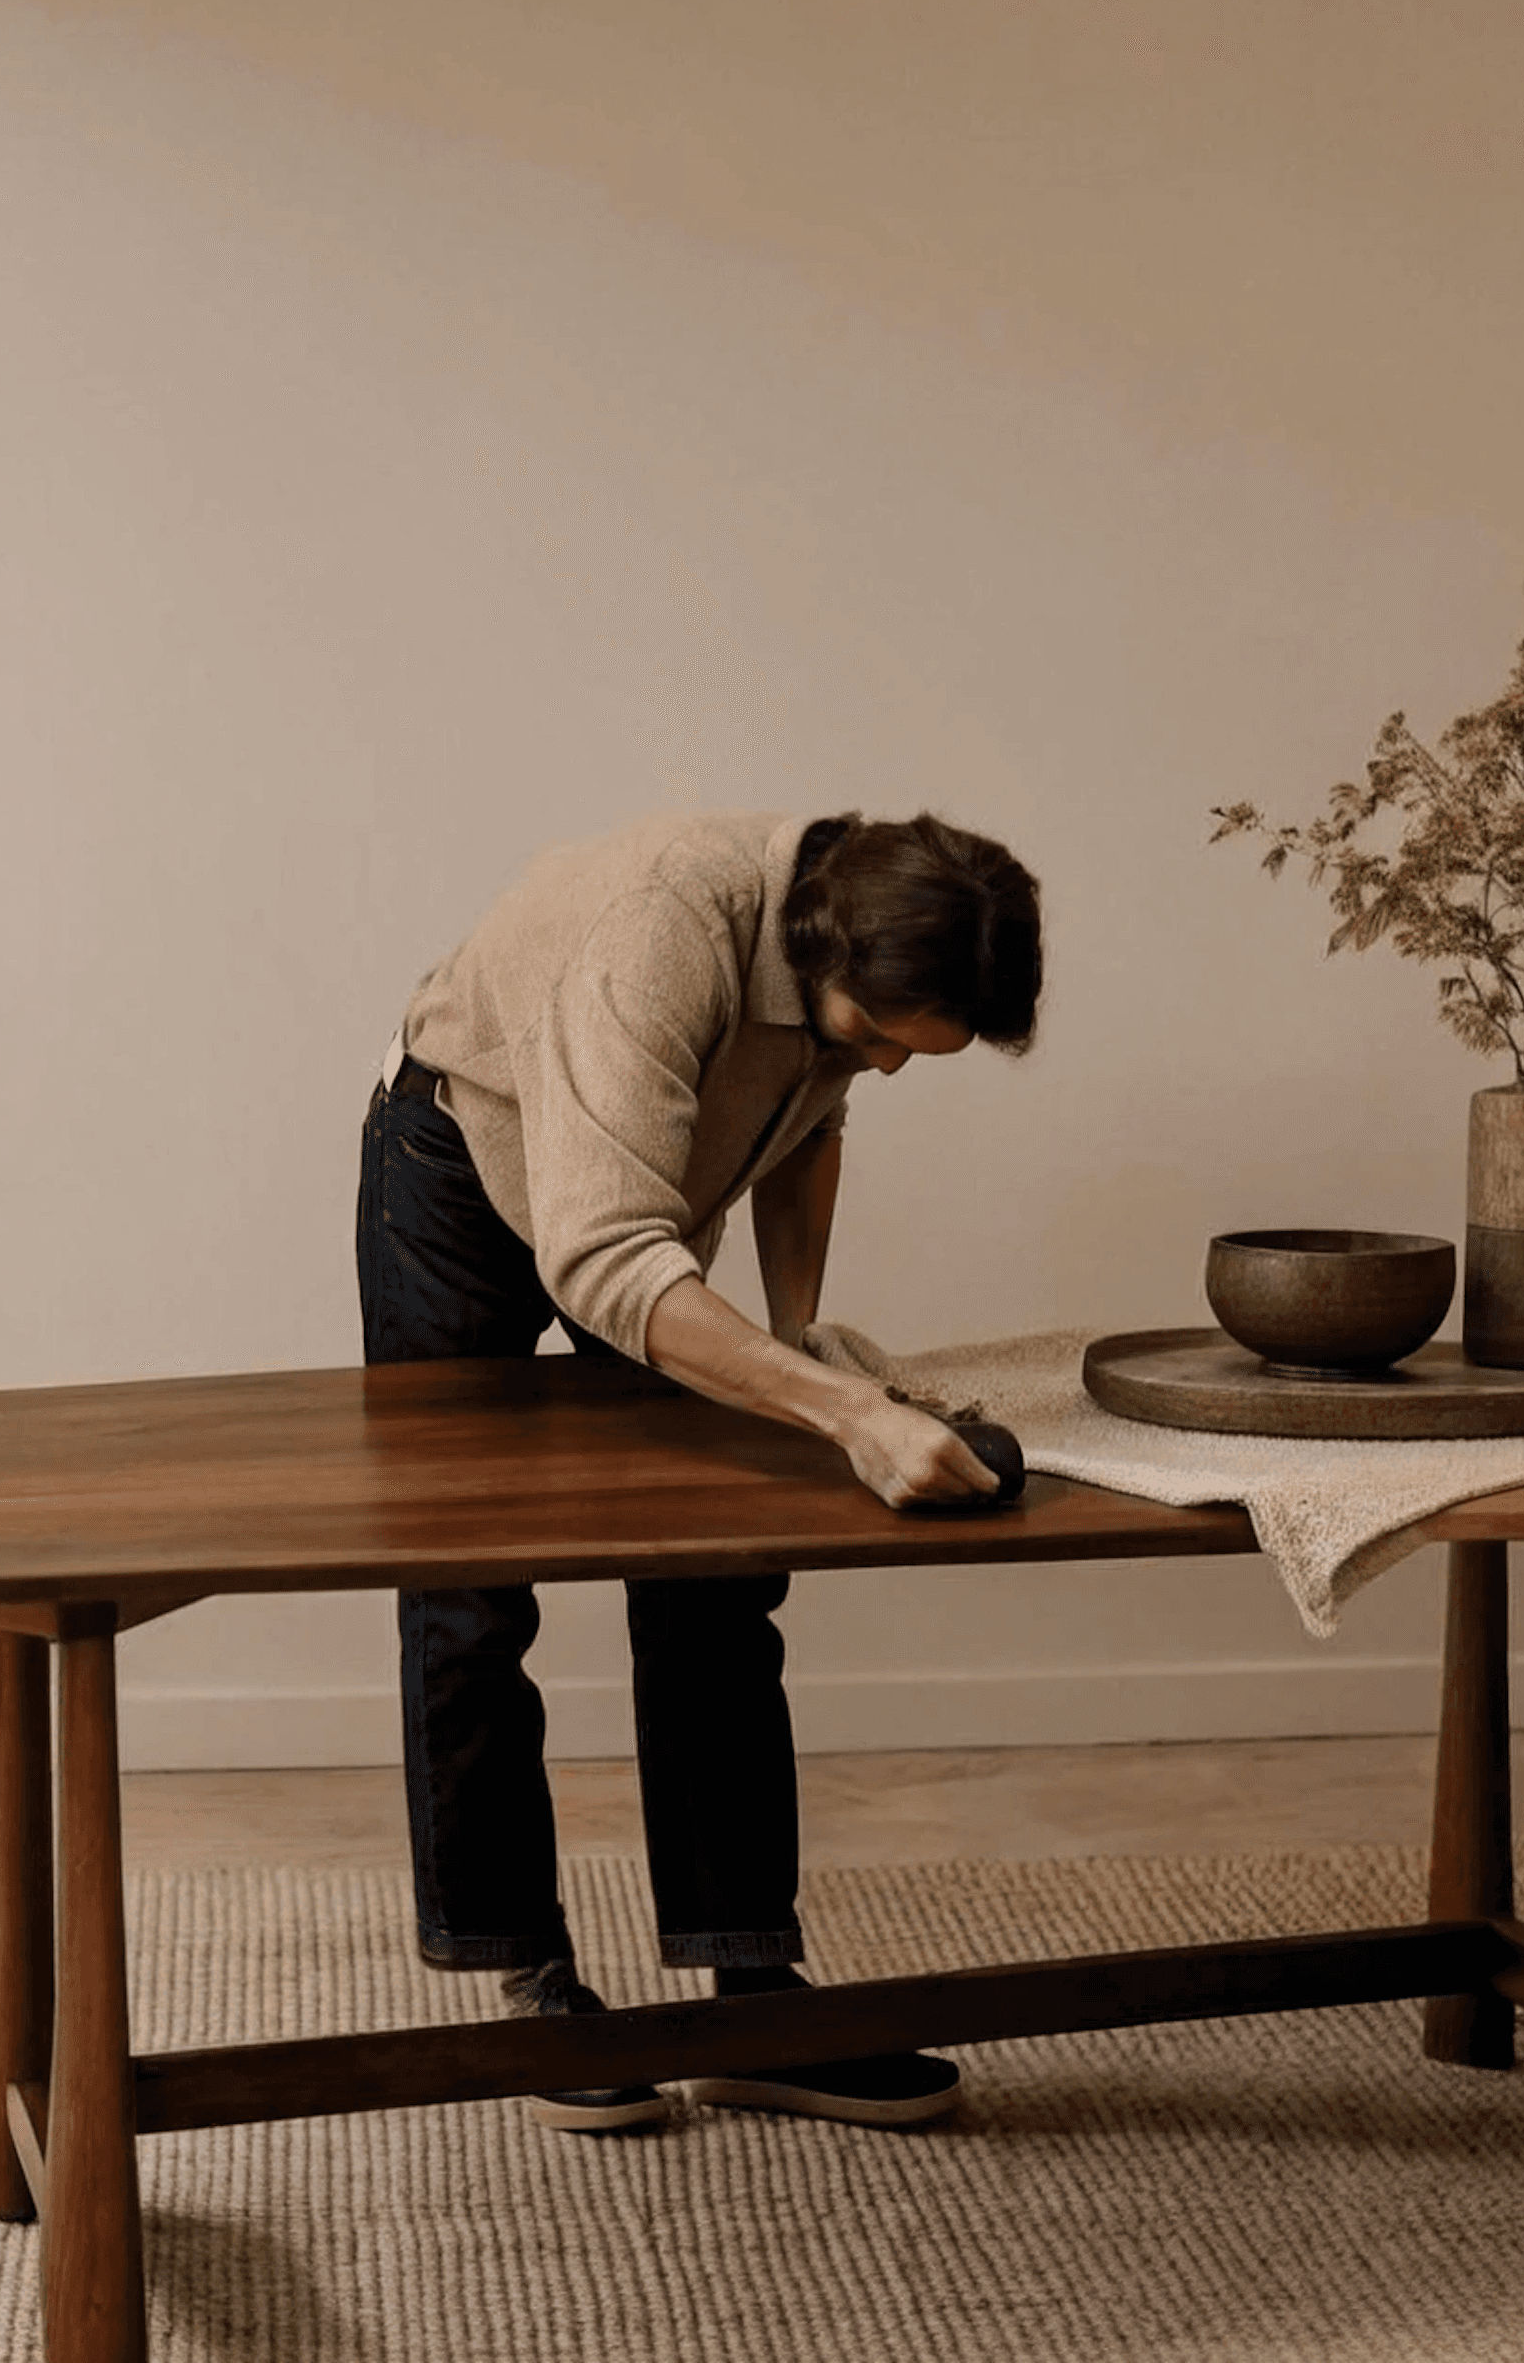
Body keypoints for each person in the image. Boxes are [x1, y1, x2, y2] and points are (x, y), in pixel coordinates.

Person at [356, 810, 1042, 2133]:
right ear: (816, 955)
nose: (889, 1066)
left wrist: (800, 1343)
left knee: (716, 1560)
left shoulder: (853, 958)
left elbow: (807, 1129)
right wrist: (843, 1414)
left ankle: (749, 1999)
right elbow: (603, 1259)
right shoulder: (655, 940)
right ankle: (524, 1984)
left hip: (634, 1202)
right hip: (458, 1167)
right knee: (468, 1582)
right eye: (881, 1037)